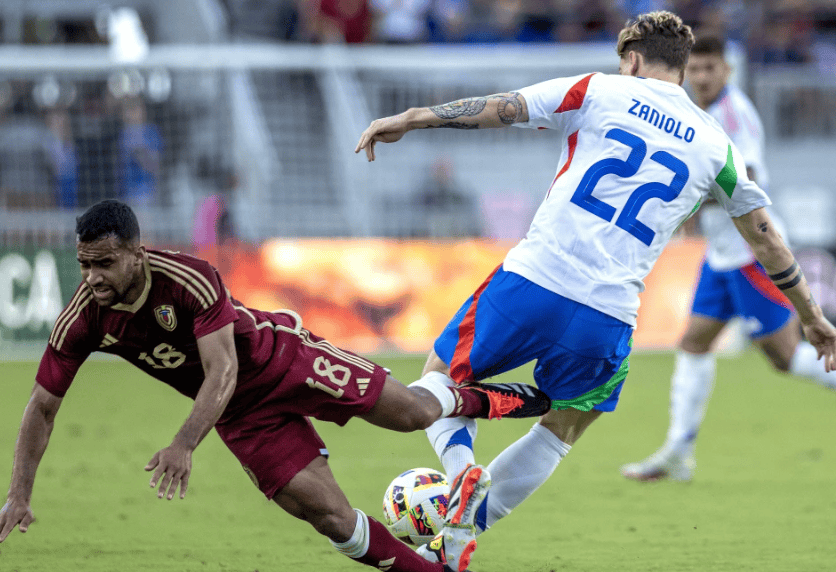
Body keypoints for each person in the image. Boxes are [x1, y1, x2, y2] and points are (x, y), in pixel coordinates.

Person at [355, 10, 836, 566]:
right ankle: (459, 536)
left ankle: (461, 472)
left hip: (534, 280)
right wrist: (813, 318)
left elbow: (502, 107)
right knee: (558, 432)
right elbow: (767, 240)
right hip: (607, 315)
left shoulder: (598, 90)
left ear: (632, 59)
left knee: (440, 375)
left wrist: (414, 117)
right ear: (682, 69)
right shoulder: (716, 146)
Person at [0, 199, 554, 572]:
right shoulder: (83, 318)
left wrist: (183, 444)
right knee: (330, 519)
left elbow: (223, 370)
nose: (92, 277)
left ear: (136, 254)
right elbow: (41, 406)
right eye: (84, 265)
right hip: (239, 414)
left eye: (103, 263)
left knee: (412, 413)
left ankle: (498, 400)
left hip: (284, 359)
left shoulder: (190, 279)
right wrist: (19, 495)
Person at [620, 34, 836, 482]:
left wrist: (683, 201)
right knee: (693, 343)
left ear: (727, 70)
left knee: (784, 357)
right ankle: (678, 453)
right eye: (695, 69)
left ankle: (678, 452)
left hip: (751, 254)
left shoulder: (734, 114)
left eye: (710, 68)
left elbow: (745, 179)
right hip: (721, 254)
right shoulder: (693, 111)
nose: (701, 77)